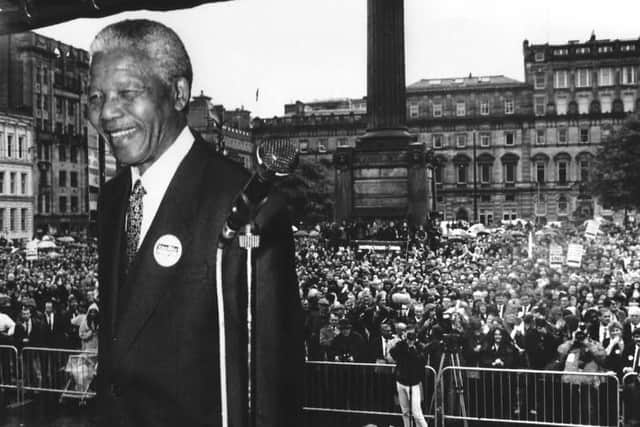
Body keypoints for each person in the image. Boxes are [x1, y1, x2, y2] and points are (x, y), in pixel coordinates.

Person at [88, 19, 303, 427]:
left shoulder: (249, 206)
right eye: (96, 96)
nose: (107, 113)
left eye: (127, 93)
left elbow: (274, 384)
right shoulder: (115, 197)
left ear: (179, 92)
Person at [389, 328, 430, 427]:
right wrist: (403, 344)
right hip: (401, 382)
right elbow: (393, 353)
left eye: (412, 338)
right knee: (405, 412)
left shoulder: (419, 347)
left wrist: (412, 349)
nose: (410, 340)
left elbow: (421, 362)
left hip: (413, 383)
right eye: (408, 337)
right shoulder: (401, 345)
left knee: (417, 413)